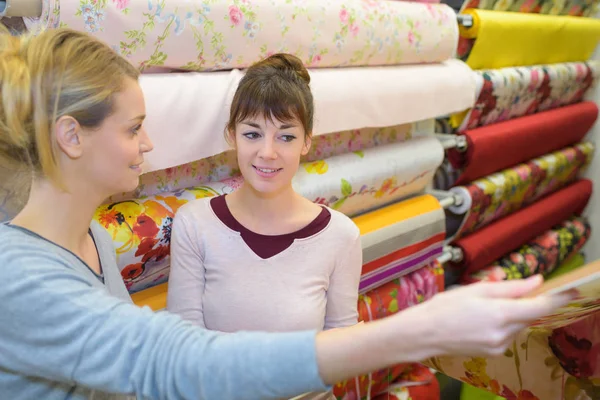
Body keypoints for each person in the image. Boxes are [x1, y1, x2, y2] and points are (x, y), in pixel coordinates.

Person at [0, 26, 574, 400]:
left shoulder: (94, 239)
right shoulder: (19, 277)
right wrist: (418, 330)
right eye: (132, 128)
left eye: (285, 134)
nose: (149, 145)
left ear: (307, 142)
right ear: (70, 137)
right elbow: (171, 358)